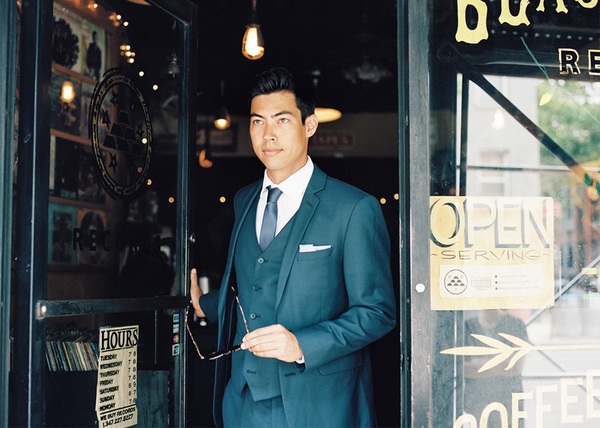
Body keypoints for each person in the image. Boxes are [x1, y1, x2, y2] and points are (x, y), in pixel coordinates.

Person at [190, 67, 396, 427]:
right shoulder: (244, 200)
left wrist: (302, 345)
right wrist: (205, 304)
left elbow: (377, 312)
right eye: (258, 122)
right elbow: (254, 287)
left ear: (309, 125)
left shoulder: (353, 208)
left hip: (319, 405)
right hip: (242, 402)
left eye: (282, 120)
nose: (268, 134)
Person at [463, 309, 529, 428]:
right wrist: (502, 363)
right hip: (477, 402)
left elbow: (516, 366)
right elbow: (462, 368)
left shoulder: (516, 325)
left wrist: (478, 364)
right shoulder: (467, 326)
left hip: (508, 401)